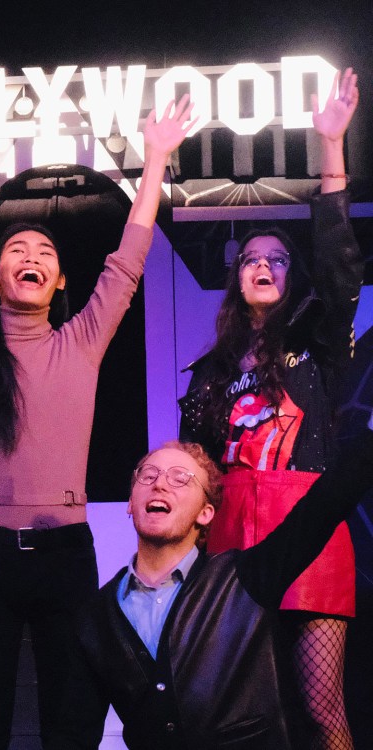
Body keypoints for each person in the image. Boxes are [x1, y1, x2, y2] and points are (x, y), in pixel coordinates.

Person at [0, 95, 196, 749]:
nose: (30, 254)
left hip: (66, 559)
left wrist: (154, 160)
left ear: (59, 276)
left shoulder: (82, 341)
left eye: (44, 249)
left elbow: (129, 257)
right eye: (16, 247)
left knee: (71, 727)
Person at [178, 68, 360, 750]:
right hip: (230, 537)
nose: (263, 265)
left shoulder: (318, 341)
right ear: (235, 277)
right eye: (251, 258)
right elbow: (192, 463)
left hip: (307, 525)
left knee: (319, 710)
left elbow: (341, 270)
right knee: (246, 711)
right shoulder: (211, 371)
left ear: (291, 278)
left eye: (277, 260)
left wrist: (331, 150)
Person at [50, 413, 373, 749]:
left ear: (205, 513)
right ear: (131, 503)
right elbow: (72, 735)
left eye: (180, 478)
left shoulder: (245, 578)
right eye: (149, 476)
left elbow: (325, 506)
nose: (160, 484)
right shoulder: (95, 618)